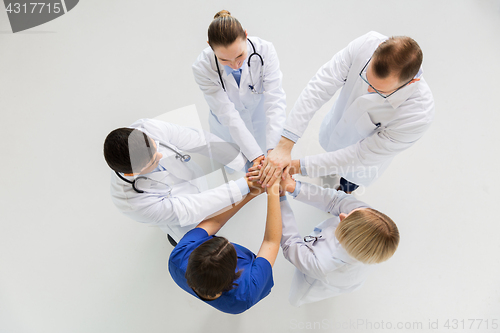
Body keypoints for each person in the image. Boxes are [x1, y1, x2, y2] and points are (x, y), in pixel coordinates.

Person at [260, 31, 435, 192]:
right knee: (330, 157)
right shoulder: (365, 45)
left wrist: (297, 167)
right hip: (336, 129)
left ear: (410, 83)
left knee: (348, 182)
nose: (368, 90)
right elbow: (319, 87)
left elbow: (361, 155)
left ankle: (344, 189)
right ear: (374, 53)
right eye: (367, 79)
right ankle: (327, 169)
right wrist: (285, 143)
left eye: (380, 91)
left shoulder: (418, 114)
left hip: (360, 162)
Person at [104, 118, 250, 244]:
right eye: (154, 160)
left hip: (196, 185)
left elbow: (200, 140)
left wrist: (243, 162)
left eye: (156, 147)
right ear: (133, 173)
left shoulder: (147, 128)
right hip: (186, 219)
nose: (160, 154)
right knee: (199, 237)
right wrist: (246, 184)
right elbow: (191, 208)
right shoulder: (131, 203)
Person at [168, 166, 282, 314]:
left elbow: (214, 222)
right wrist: (273, 190)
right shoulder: (246, 294)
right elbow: (270, 242)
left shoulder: (177, 259)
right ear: (235, 275)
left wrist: (251, 193)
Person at [279, 174, 399, 306]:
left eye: (345, 220)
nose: (342, 214)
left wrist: (280, 199)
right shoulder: (368, 217)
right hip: (349, 268)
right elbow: (336, 201)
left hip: (319, 282)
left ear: (346, 240)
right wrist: (295, 187)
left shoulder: (323, 266)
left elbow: (290, 243)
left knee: (299, 295)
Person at [192, 10, 286, 169]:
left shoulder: (265, 51)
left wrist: (274, 148)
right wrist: (255, 154)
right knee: (234, 169)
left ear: (246, 34)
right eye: (224, 59)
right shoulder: (203, 67)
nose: (235, 65)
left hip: (259, 117)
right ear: (210, 46)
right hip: (227, 127)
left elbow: (275, 101)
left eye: (239, 55)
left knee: (269, 158)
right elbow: (227, 114)